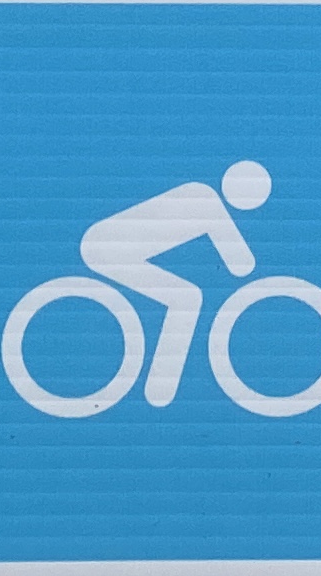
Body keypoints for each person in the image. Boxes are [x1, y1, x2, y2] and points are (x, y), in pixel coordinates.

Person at [78, 161, 272, 408]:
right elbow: (241, 265)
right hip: (106, 253)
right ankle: (160, 386)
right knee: (188, 297)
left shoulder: (199, 193)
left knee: (186, 295)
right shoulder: (206, 200)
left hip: (97, 245)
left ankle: (159, 385)